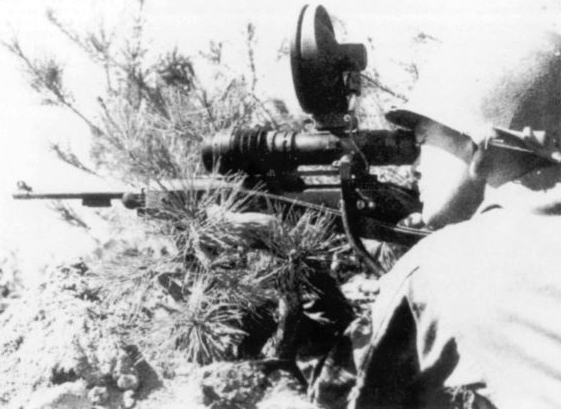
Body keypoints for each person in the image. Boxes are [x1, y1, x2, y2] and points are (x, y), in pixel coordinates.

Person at [347, 26, 561, 409]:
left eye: (421, 140)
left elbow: (351, 396)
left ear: (481, 142)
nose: (415, 166)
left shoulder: (441, 266)